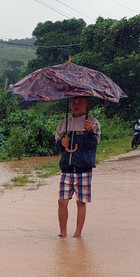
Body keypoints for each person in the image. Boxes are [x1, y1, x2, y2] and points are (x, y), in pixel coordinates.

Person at [55, 96, 100, 238]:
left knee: (81, 202)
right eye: (74, 101)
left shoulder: (92, 123)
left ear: (86, 104)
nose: (76, 104)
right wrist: (62, 144)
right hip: (66, 169)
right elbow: (57, 147)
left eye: (80, 101)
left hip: (84, 169)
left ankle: (77, 234)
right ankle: (63, 233)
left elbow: (92, 146)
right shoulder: (63, 124)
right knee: (62, 201)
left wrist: (90, 132)